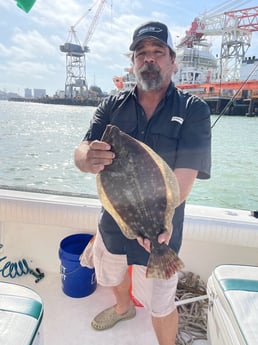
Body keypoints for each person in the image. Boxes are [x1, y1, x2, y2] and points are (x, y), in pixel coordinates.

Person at [74, 21, 211, 345]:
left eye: (158, 52)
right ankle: (123, 308)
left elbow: (185, 176)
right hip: (114, 223)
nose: (149, 59)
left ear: (172, 61)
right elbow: (82, 150)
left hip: (162, 227)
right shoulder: (111, 106)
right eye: (141, 53)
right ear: (133, 62)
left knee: (163, 304)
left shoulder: (194, 111)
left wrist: (158, 223)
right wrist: (85, 157)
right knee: (113, 273)